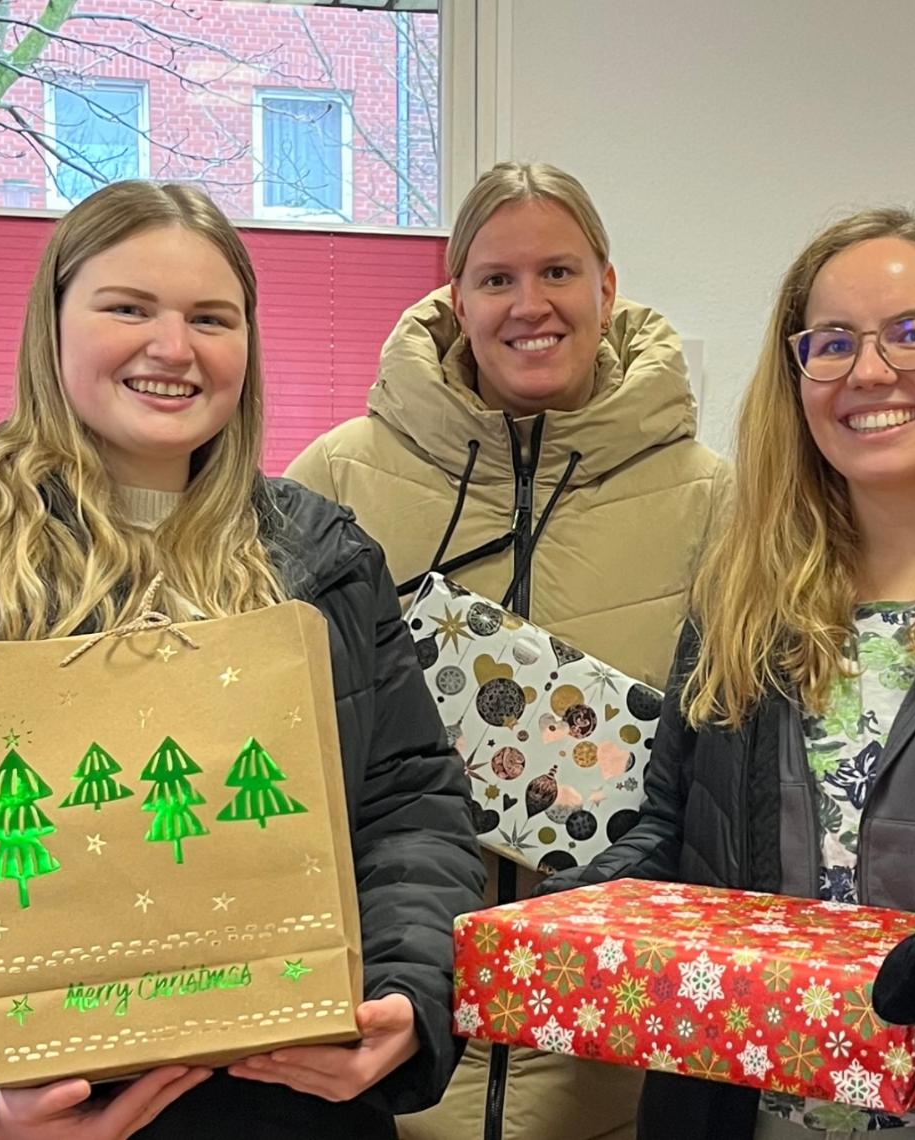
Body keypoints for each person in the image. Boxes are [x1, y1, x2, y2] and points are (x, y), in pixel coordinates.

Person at [0, 181, 484, 1140]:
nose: (173, 348)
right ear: (52, 328)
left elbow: (412, 805)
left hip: (305, 1114)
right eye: (128, 308)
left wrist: (408, 990)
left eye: (211, 317)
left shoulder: (322, 559)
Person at [549, 207, 915, 1140]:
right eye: (831, 343)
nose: (870, 372)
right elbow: (673, 835)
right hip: (736, 1113)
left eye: (914, 333)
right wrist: (579, 930)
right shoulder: (743, 603)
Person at [287, 161, 726, 1140]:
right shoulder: (337, 476)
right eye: (496, 278)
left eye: (560, 272)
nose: (532, 304)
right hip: (389, 1039)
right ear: (455, 299)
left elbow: (733, 778)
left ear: (608, 288)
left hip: (611, 1053)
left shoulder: (714, 501)